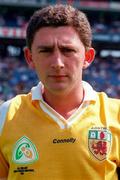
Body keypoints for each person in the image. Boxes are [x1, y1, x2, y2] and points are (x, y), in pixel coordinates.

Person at [0, 4, 120, 180]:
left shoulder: (116, 115)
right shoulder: (5, 116)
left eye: (68, 50)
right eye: (46, 51)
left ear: (87, 57)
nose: (57, 62)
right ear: (30, 57)